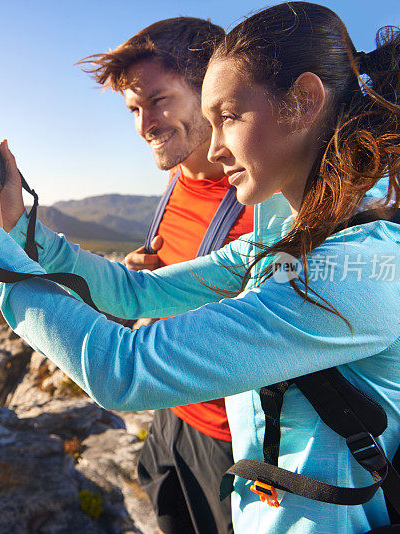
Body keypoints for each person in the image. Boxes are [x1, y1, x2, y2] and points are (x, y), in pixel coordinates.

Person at [0, 2, 400, 533]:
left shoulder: (362, 269)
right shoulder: (288, 241)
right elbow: (137, 293)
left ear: (304, 102)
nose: (217, 148)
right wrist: (18, 231)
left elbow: (124, 370)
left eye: (229, 116)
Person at [79, 17, 253, 534]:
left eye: (159, 100)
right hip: (171, 417)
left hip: (229, 442)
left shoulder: (258, 203)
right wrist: (145, 281)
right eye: (135, 108)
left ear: (211, 91)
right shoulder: (179, 178)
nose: (144, 124)